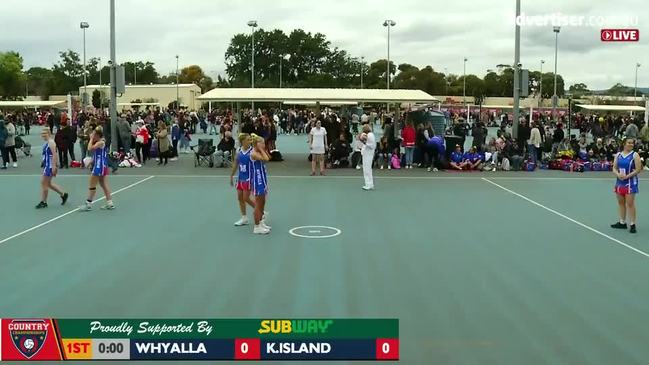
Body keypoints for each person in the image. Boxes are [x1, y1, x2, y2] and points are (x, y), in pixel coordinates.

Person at [611, 138, 643, 233]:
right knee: (621, 202)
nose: (631, 144)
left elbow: (638, 170)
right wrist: (618, 175)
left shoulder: (635, 155)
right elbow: (614, 168)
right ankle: (622, 222)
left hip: (630, 182)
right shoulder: (618, 155)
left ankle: (632, 224)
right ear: (624, 144)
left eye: (632, 143)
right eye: (629, 143)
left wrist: (627, 176)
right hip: (620, 181)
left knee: (630, 203)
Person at [79, 127, 114, 211]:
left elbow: (89, 148)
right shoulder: (100, 142)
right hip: (101, 165)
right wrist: (91, 162)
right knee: (103, 184)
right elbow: (97, 155)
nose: (92, 135)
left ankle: (88, 204)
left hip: (99, 166)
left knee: (92, 184)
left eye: (94, 134)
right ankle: (110, 203)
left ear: (97, 135)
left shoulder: (101, 142)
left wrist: (91, 139)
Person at [35, 128, 69, 209]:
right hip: (47, 165)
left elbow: (54, 154)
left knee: (44, 183)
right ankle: (63, 194)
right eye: (42, 134)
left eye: (45, 133)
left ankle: (44, 201)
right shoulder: (47, 142)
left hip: (49, 166)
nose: (43, 135)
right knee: (48, 184)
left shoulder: (51, 142)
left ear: (49, 133)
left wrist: (54, 166)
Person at [231, 133, 257, 226]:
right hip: (240, 178)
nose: (250, 141)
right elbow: (236, 163)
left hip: (249, 178)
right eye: (248, 140)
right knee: (240, 198)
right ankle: (244, 218)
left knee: (246, 198)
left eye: (250, 139)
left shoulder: (252, 151)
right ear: (242, 141)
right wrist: (231, 176)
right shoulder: (238, 150)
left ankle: (260, 211)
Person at [250, 134, 271, 234]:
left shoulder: (258, 151)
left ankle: (261, 222)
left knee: (262, 202)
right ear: (257, 144)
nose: (264, 144)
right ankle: (256, 226)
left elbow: (268, 157)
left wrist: (263, 149)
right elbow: (266, 159)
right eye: (262, 143)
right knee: (258, 203)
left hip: (263, 178)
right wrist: (261, 149)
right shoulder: (254, 153)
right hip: (258, 179)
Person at [360, 124, 376, 190]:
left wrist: (364, 141)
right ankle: (370, 184)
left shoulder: (369, 135)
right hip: (368, 154)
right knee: (368, 169)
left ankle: (368, 184)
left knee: (366, 169)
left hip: (368, 154)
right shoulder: (370, 135)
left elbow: (371, 145)